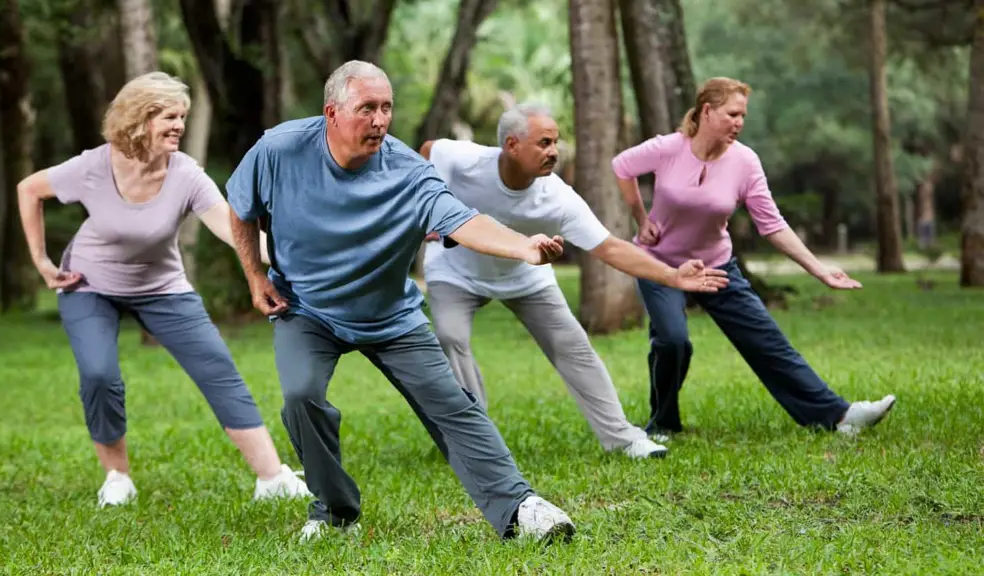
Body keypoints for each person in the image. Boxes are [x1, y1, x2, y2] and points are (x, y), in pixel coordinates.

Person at [225, 60, 576, 543]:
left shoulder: (408, 171)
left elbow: (462, 219)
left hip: (389, 315)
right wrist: (254, 275)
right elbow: (240, 207)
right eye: (367, 108)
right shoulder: (279, 150)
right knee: (300, 396)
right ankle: (334, 512)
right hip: (306, 307)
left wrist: (524, 246)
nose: (380, 120)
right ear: (331, 112)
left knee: (453, 405)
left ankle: (520, 508)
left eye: (387, 107)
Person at [16, 72, 312, 508]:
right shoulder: (93, 166)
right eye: (169, 116)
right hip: (89, 283)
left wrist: (299, 255)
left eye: (182, 117)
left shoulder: (186, 175)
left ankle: (272, 477)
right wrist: (41, 261)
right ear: (139, 119)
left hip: (161, 286)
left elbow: (235, 231)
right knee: (99, 375)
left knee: (218, 368)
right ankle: (117, 477)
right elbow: (29, 189)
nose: (179, 125)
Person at [417, 103, 730, 460]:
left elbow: (611, 248)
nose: (554, 152)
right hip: (455, 270)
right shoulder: (466, 160)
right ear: (511, 144)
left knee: (575, 348)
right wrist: (431, 209)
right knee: (450, 337)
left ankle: (624, 438)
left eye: (556, 142)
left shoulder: (557, 198)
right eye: (544, 143)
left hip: (525, 275)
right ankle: (475, 441)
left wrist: (672, 275)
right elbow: (428, 150)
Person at [612, 76, 896, 439]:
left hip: (716, 266)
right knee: (672, 341)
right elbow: (622, 166)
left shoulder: (745, 162)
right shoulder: (669, 148)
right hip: (660, 264)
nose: (739, 123)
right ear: (707, 111)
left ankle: (840, 417)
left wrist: (819, 270)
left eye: (743, 115)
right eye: (732, 114)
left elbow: (772, 225)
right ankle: (663, 423)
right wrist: (641, 217)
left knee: (767, 342)